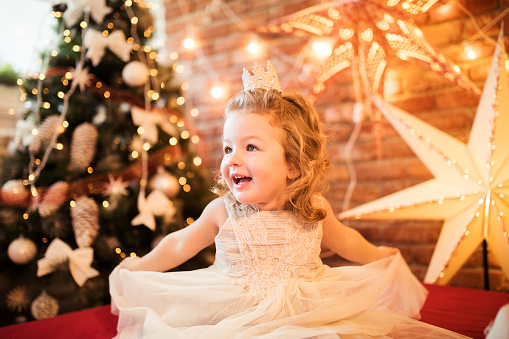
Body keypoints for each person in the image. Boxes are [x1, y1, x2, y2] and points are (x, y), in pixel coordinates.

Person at [109, 62, 468, 338]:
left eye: (251, 147)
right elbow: (179, 244)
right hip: (237, 312)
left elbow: (347, 242)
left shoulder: (314, 211)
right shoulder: (224, 212)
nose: (232, 159)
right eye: (228, 148)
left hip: (309, 309)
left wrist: (380, 257)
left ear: (293, 165)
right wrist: (139, 268)